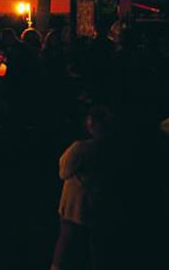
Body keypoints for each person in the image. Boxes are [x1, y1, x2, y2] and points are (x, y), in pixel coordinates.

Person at [51, 106, 116, 270]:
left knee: (66, 241)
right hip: (98, 203)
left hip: (75, 204)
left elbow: (63, 171)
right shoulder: (112, 148)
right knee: (96, 245)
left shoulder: (81, 148)